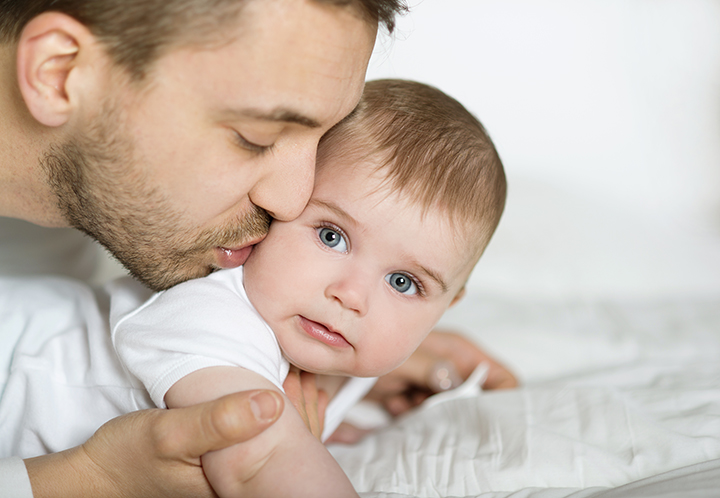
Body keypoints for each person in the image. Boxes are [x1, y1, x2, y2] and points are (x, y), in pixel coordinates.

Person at [7, 79, 506, 497]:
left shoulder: (333, 347)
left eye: (403, 282)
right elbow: (260, 459)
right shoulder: (214, 317)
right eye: (331, 236)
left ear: (445, 307)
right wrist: (299, 449)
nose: (351, 296)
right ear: (276, 214)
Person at [0, 0, 408, 496]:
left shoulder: (76, 206)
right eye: (255, 138)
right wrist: (87, 478)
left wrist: (345, 344)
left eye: (321, 141)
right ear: (59, 74)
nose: (293, 199)